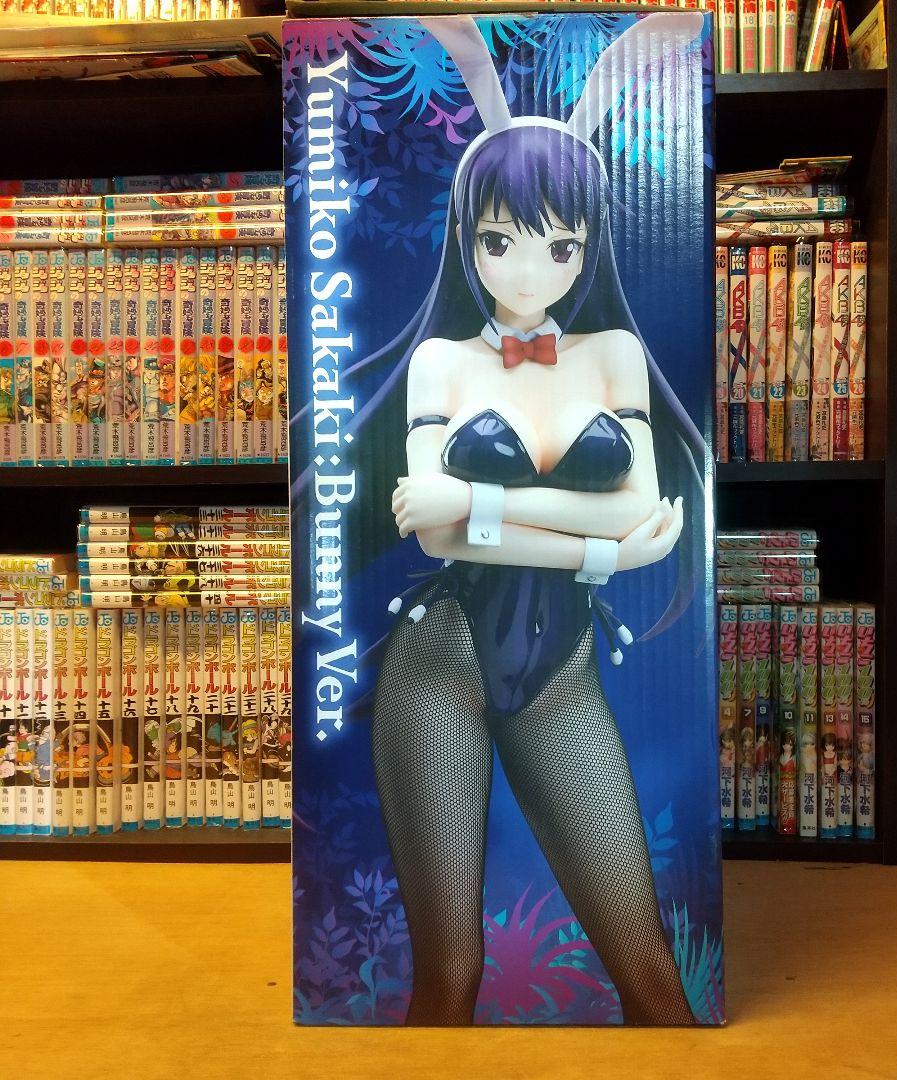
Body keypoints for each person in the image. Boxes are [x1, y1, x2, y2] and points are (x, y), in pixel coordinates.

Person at [328, 13, 707, 1026]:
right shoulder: (440, 363)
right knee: (450, 975)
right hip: (438, 664)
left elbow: (634, 503)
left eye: (559, 244)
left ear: (588, 247)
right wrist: (600, 549)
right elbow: (436, 534)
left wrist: (479, 501)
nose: (529, 272)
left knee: (653, 976)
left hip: (562, 674)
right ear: (468, 240)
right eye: (501, 241)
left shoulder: (612, 355)